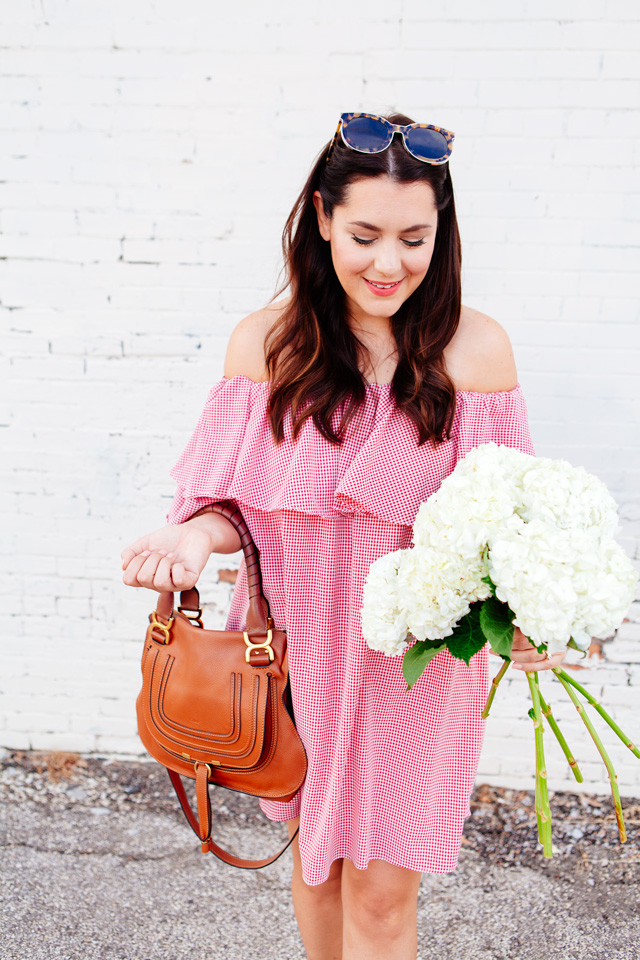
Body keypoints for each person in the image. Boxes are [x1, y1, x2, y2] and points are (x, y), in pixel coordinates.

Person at [121, 112, 566, 960]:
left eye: (414, 237)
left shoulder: (477, 352)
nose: (389, 263)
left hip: (417, 668)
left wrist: (532, 612)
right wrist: (193, 539)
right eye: (364, 234)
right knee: (317, 869)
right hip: (291, 649)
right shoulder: (267, 343)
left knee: (383, 899)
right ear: (322, 217)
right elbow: (229, 508)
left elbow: (512, 523)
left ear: (443, 231)